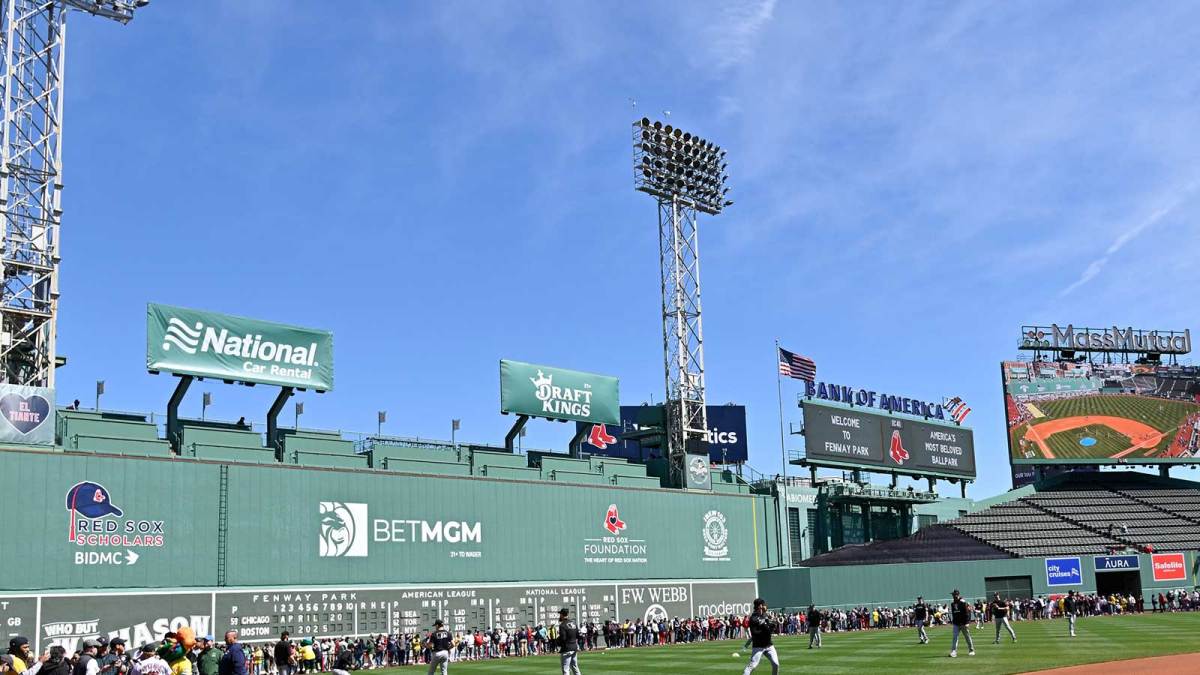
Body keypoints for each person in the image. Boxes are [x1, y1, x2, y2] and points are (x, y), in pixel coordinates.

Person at [741, 598, 779, 675]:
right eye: (763, 605)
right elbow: (756, 632)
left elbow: (773, 625)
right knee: (752, 666)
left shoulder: (764, 614)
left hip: (769, 645)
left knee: (776, 664)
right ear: (760, 606)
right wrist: (767, 626)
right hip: (758, 646)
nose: (765, 606)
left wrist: (770, 623)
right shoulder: (753, 618)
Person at [949, 589, 975, 658]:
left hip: (963, 623)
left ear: (957, 595)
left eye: (954, 595)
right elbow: (954, 613)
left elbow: (967, 613)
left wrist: (967, 622)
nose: (953, 596)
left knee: (967, 637)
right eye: (952, 595)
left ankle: (971, 650)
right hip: (956, 623)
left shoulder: (963, 602)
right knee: (955, 637)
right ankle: (954, 651)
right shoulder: (952, 603)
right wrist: (953, 621)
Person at [557, 608, 581, 675]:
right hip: (574, 647)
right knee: (575, 667)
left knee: (566, 669)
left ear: (562, 614)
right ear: (568, 614)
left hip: (566, 649)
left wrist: (557, 641)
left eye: (560, 614)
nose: (560, 615)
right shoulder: (573, 623)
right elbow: (578, 635)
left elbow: (563, 638)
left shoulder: (562, 625)